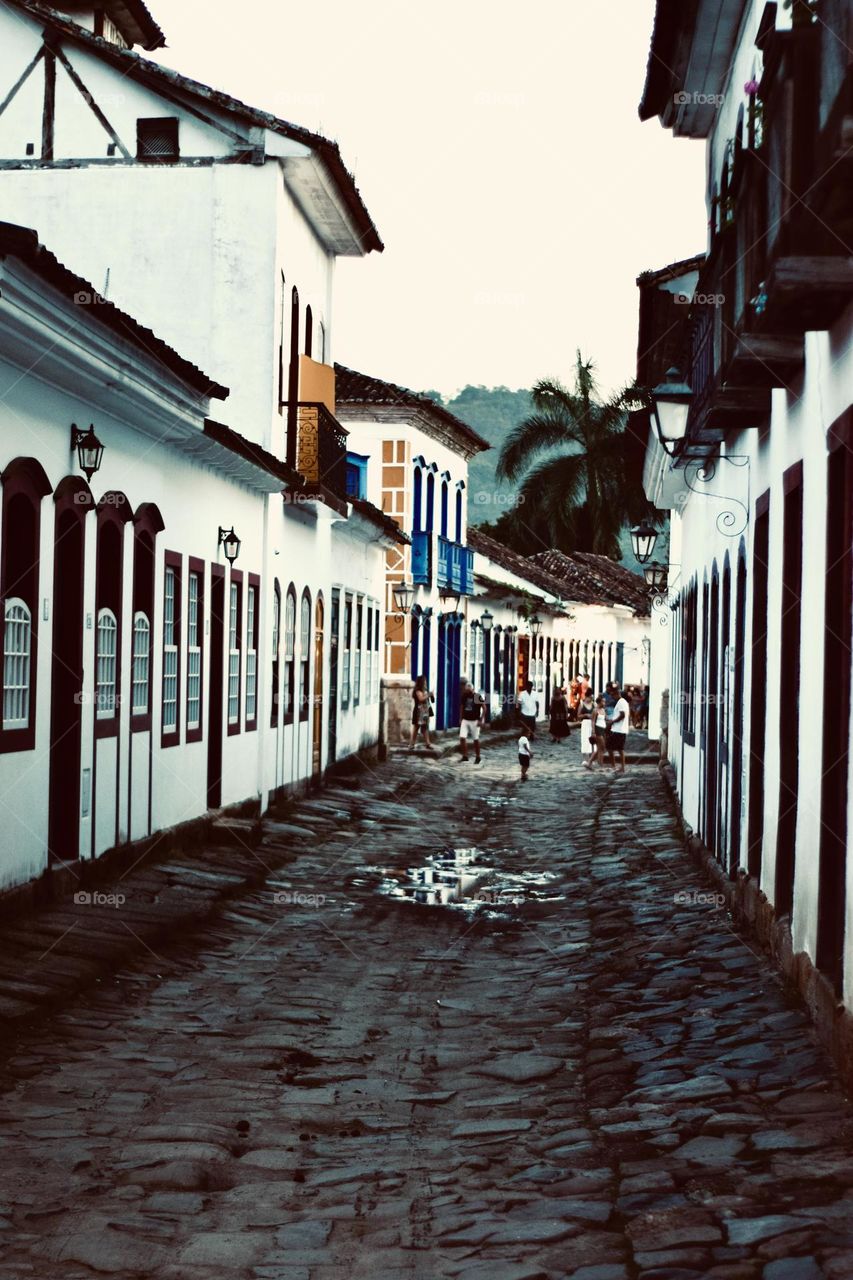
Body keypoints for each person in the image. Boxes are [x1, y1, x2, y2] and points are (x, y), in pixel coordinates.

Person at [459, 682, 485, 763]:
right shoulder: (464, 696)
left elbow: (484, 708)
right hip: (465, 720)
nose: (468, 692)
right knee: (462, 737)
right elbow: (462, 707)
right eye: (467, 690)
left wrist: (481, 719)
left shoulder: (477, 696)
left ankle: (478, 756)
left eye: (469, 690)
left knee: (475, 739)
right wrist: (460, 718)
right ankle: (465, 755)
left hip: (475, 720)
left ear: (473, 689)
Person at [407, 675, 435, 751]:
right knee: (416, 727)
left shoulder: (425, 689)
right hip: (419, 711)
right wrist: (429, 694)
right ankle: (411, 744)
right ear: (421, 682)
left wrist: (432, 695)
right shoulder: (417, 690)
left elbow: (430, 700)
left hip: (425, 711)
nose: (426, 682)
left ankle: (427, 743)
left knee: (425, 727)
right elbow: (421, 699)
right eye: (424, 681)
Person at [608, 686, 630, 773]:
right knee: (618, 748)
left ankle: (617, 766)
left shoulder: (621, 702)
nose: (612, 697)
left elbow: (622, 715)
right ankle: (620, 767)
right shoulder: (623, 702)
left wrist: (612, 722)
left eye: (613, 695)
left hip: (618, 729)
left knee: (612, 748)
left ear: (617, 694)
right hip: (620, 729)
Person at [593, 694, 608, 767]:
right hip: (598, 728)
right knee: (603, 746)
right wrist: (593, 731)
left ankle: (600, 762)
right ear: (599, 702)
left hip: (603, 728)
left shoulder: (603, 710)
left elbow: (605, 719)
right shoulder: (595, 711)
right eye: (603, 702)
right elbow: (593, 721)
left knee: (600, 748)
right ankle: (595, 761)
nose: (604, 703)